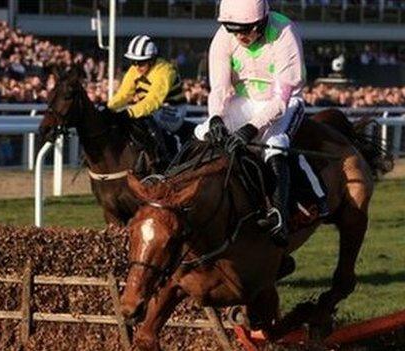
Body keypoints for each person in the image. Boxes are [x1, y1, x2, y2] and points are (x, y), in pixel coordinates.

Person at [193, 0, 328, 247]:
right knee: (204, 133)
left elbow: (280, 100)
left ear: (262, 21)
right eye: (233, 29)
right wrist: (215, 118)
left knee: (274, 143)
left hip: (285, 103)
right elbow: (220, 88)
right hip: (243, 101)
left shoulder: (284, 32)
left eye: (246, 29)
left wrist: (251, 127)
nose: (240, 36)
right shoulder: (225, 36)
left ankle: (279, 214)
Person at [106, 35, 189, 172]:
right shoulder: (134, 70)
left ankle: (163, 158)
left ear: (152, 60)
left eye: (141, 62)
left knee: (146, 115)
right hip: (153, 108)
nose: (137, 66)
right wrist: (109, 108)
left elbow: (153, 101)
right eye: (134, 61)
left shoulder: (164, 71)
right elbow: (124, 94)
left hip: (174, 111)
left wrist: (129, 112)